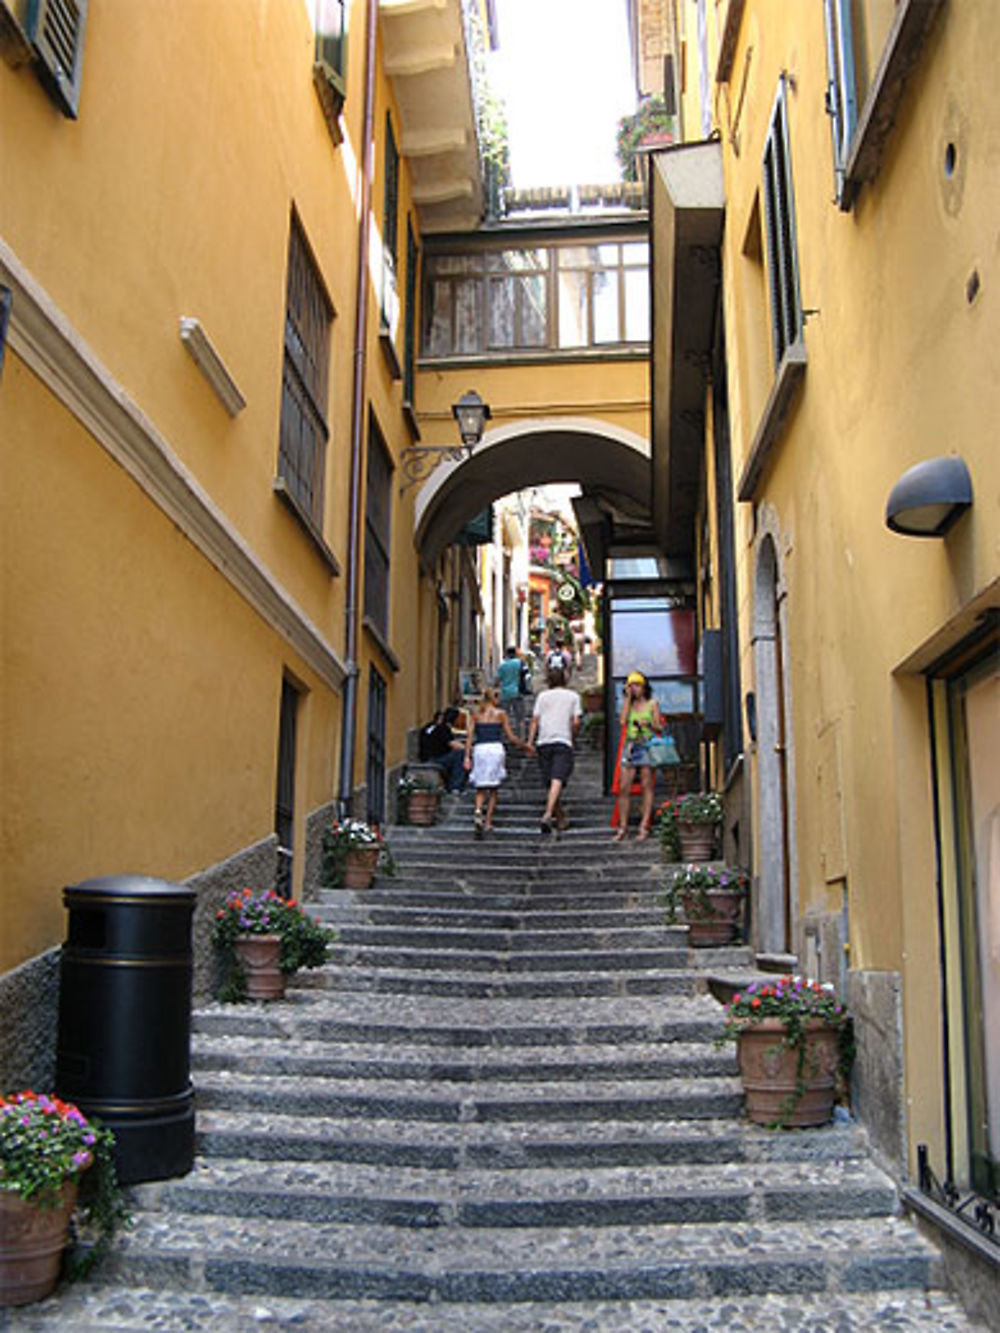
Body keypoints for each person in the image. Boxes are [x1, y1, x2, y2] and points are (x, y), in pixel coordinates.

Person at [526, 664, 581, 836]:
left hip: (544, 740)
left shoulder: (542, 696)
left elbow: (535, 720)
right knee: (557, 779)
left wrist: (530, 741)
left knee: (551, 782)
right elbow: (577, 721)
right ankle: (549, 814)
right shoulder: (573, 696)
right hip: (562, 740)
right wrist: (573, 737)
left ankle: (561, 817)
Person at [464, 689, 526, 837]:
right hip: (495, 748)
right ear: (494, 698)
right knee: (493, 789)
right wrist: (524, 745)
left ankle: (478, 811)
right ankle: (488, 822)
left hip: (480, 749)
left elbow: (469, 738)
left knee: (480, 787)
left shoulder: (476, 716)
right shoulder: (500, 714)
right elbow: (510, 736)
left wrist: (467, 756)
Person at [612, 671, 663, 842]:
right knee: (624, 786)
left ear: (644, 687)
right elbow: (622, 721)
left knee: (646, 784)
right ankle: (623, 827)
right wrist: (627, 698)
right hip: (631, 745)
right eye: (631, 685)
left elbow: (658, 727)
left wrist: (648, 723)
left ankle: (644, 826)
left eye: (637, 685)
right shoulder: (629, 705)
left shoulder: (652, 704)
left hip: (646, 743)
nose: (634, 689)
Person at [418, 708, 466, 793]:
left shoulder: (427, 727)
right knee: (460, 755)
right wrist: (469, 749)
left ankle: (449, 784)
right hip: (436, 759)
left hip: (426, 758)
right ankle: (455, 786)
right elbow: (455, 745)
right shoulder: (443, 729)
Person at [495, 645, 525, 739]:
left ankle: (504, 737)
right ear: (515, 654)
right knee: (520, 718)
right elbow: (527, 676)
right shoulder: (520, 663)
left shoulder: (502, 665)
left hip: (505, 693)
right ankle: (521, 737)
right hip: (518, 692)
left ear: (507, 654)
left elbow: (497, 680)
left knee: (504, 716)